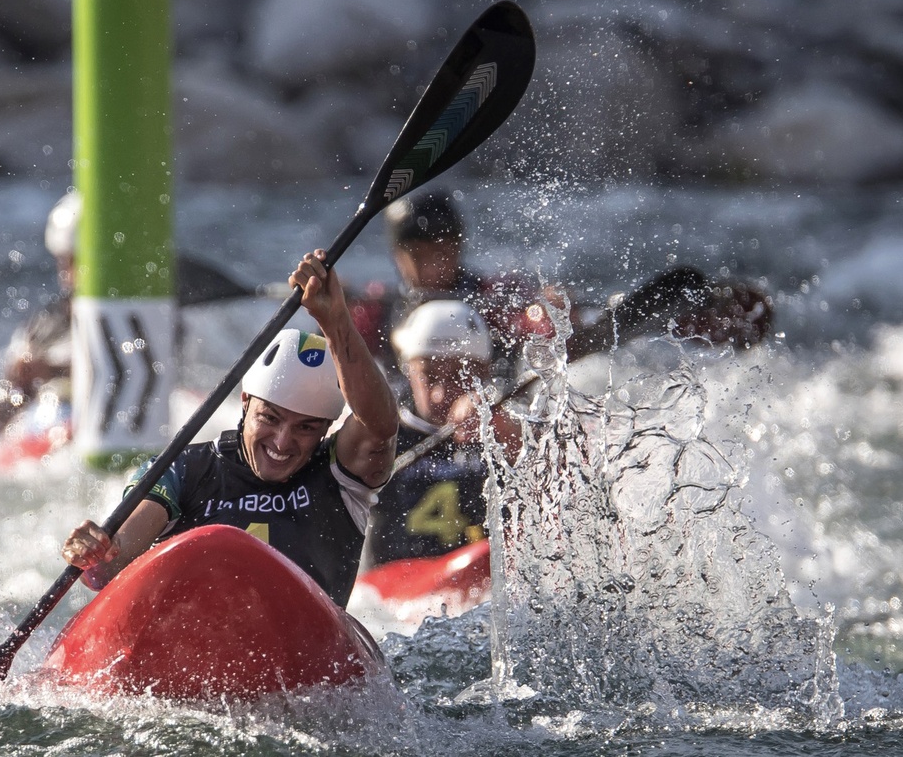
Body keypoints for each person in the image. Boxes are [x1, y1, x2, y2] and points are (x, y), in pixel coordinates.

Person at [60, 249, 399, 608]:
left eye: (305, 428)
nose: (283, 442)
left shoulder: (338, 475)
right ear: (245, 403)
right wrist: (97, 554)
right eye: (269, 418)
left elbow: (378, 426)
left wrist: (335, 322)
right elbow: (115, 562)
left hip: (305, 650)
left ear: (326, 429)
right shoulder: (183, 469)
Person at [348, 188, 773, 382]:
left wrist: (552, 317)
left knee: (566, 339)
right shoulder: (376, 309)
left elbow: (532, 320)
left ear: (458, 247)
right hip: (410, 430)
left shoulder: (494, 297)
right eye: (418, 254)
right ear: (397, 255)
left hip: (485, 417)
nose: (431, 264)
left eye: (441, 250)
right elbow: (342, 357)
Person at [363, 299, 523, 567]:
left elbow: (546, 462)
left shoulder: (500, 425)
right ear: (408, 371)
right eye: (429, 375)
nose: (440, 394)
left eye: (457, 375)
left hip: (478, 579)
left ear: (483, 373)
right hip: (393, 590)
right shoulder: (381, 430)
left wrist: (497, 421)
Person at [0, 191, 78, 442]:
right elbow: (13, 395)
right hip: (53, 425)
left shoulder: (150, 315)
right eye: (65, 261)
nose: (66, 272)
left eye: (76, 261)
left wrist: (53, 371)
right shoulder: (44, 326)